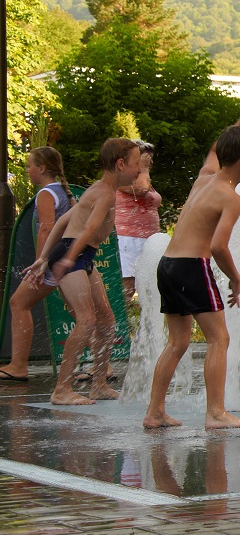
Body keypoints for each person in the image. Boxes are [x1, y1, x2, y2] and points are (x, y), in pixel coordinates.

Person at [142, 125, 240, 429]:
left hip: (168, 264)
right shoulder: (231, 198)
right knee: (219, 338)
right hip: (191, 267)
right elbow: (218, 246)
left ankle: (154, 412)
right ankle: (216, 413)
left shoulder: (204, 181)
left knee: (178, 341)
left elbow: (215, 149)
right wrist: (236, 279)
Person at [24, 139, 142, 404]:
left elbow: (65, 220)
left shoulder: (100, 190)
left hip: (80, 256)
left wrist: (44, 257)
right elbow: (88, 229)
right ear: (120, 163)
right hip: (73, 255)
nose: (138, 171)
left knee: (107, 321)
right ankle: (61, 389)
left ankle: (98, 384)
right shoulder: (104, 193)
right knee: (87, 320)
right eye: (136, 165)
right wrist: (64, 258)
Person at [1, 148, 75, 382]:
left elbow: (46, 228)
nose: (27, 170)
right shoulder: (61, 192)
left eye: (29, 165)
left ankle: (18, 365)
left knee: (18, 302)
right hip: (64, 259)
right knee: (81, 312)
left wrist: (40, 262)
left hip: (51, 262)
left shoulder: (45, 193)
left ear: (42, 168)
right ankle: (102, 365)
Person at [115, 140, 162, 309]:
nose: (149, 161)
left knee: (151, 287)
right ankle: (117, 329)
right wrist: (144, 168)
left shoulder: (143, 177)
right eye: (144, 158)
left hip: (147, 239)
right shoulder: (121, 179)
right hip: (129, 239)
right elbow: (141, 189)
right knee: (127, 288)